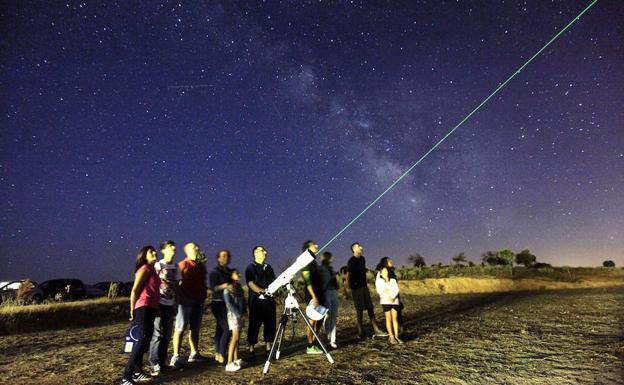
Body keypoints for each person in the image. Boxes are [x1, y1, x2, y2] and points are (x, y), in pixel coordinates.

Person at [120, 246, 160, 385]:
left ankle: (137, 372)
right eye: (151, 251)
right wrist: (132, 309)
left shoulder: (152, 270)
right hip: (143, 307)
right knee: (142, 341)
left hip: (150, 308)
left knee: (145, 341)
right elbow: (134, 290)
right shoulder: (145, 269)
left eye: (155, 251)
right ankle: (126, 377)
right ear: (144, 256)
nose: (155, 252)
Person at [170, 243, 210, 367]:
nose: (197, 248)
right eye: (194, 247)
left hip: (198, 301)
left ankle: (194, 353)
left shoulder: (201, 266)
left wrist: (203, 297)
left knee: (195, 329)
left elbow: (202, 282)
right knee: (180, 328)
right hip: (185, 301)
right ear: (187, 251)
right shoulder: (183, 264)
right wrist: (178, 299)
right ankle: (176, 356)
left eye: (198, 247)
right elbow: (176, 283)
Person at [148, 241, 180, 376]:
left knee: (167, 335)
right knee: (157, 334)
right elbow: (153, 285)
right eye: (171, 249)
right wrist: (155, 304)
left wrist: (176, 303)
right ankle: (154, 363)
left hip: (170, 303)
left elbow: (177, 285)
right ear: (164, 250)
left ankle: (162, 362)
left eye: (174, 249)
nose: (173, 251)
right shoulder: (158, 265)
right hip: (159, 303)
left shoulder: (176, 266)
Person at [345, 242, 386, 339]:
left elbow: (363, 270)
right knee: (359, 311)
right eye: (359, 246)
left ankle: (376, 330)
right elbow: (348, 275)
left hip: (364, 286)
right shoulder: (351, 261)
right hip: (356, 288)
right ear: (354, 249)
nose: (361, 247)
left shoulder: (363, 259)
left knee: (370, 308)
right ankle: (361, 332)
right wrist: (348, 288)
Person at [245, 245, 277, 360]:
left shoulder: (269, 267)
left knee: (270, 324)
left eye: (264, 250)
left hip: (269, 301)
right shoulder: (250, 268)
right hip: (256, 301)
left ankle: (268, 349)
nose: (265, 252)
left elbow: (274, 281)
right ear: (255, 253)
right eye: (262, 250)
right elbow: (250, 283)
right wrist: (262, 292)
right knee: (254, 325)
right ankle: (251, 350)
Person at [209, 249, 233, 364]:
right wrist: (224, 286)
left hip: (228, 303)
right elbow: (213, 287)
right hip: (218, 302)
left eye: (227, 256)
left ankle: (218, 353)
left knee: (220, 328)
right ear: (218, 258)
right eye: (223, 256)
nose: (225, 258)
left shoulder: (229, 272)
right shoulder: (214, 272)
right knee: (227, 329)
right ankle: (222, 353)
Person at [301, 240, 324, 354]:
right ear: (307, 249)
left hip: (318, 294)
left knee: (319, 318)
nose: (316, 245)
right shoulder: (306, 263)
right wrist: (314, 297)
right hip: (312, 295)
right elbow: (308, 282)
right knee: (312, 320)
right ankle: (310, 345)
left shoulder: (313, 262)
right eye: (313, 245)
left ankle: (314, 341)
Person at [223, 268, 247, 372]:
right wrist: (239, 314)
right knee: (235, 338)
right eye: (236, 273)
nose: (239, 274)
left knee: (237, 338)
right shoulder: (227, 289)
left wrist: (245, 312)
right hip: (233, 316)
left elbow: (244, 301)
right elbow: (229, 305)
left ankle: (236, 360)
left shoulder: (239, 288)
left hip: (241, 315)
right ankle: (229, 363)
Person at [375, 258, 402, 344]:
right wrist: (388, 293)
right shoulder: (379, 278)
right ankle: (391, 337)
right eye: (389, 261)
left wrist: (393, 296)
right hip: (386, 301)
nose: (385, 272)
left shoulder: (392, 277)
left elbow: (396, 288)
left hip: (394, 300)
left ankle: (397, 336)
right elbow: (380, 289)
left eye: (386, 271)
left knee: (395, 319)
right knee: (388, 319)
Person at [319, 251, 339, 349]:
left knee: (333, 316)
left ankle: (333, 339)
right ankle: (328, 338)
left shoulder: (331, 268)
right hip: (326, 293)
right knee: (328, 316)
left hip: (333, 291)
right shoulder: (321, 269)